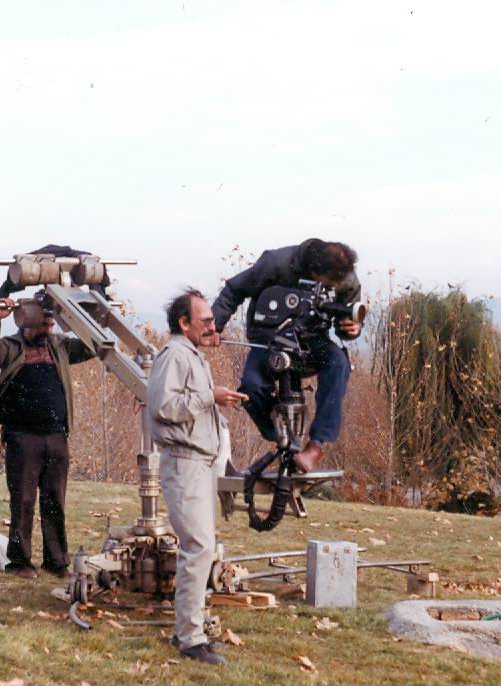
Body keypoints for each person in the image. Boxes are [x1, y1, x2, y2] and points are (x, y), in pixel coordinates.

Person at [147, 289, 246, 666]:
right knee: (198, 547)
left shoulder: (192, 355)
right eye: (204, 321)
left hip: (200, 464)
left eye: (212, 320)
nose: (212, 325)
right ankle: (189, 638)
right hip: (184, 463)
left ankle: (190, 628)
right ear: (183, 323)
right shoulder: (174, 354)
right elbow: (164, 406)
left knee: (203, 547)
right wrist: (211, 396)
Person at [0, 290, 95, 579]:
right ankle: (21, 562)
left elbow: (92, 346)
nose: (47, 330)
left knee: (55, 500)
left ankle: (56, 561)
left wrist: (80, 316)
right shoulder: (12, 348)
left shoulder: (60, 347)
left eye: (50, 325)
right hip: (22, 437)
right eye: (43, 325)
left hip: (56, 436)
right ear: (25, 323)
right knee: (23, 501)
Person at [211, 238, 362, 473]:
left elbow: (348, 320)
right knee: (251, 387)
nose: (335, 286)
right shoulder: (275, 263)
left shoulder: (345, 278)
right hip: (268, 341)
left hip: (312, 342)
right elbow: (234, 289)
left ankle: (316, 446)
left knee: (338, 364)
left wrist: (351, 329)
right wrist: (214, 326)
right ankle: (280, 436)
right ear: (314, 271)